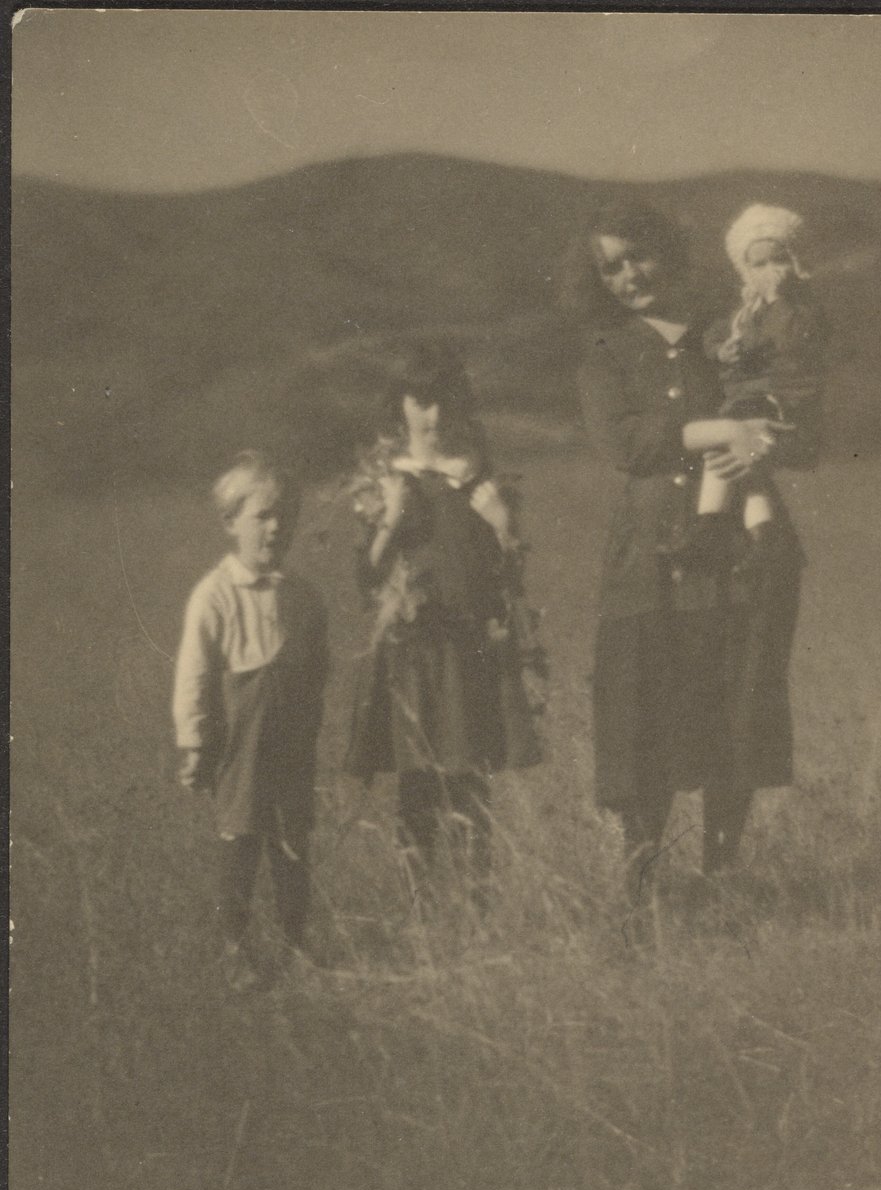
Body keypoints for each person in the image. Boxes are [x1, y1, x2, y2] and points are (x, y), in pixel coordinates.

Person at [560, 199, 818, 887]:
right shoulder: (605, 353)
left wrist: (764, 439)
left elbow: (794, 413)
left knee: (734, 705)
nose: (628, 276)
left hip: (738, 549)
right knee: (643, 710)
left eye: (638, 256)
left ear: (669, 253)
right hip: (648, 556)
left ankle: (721, 879)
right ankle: (638, 884)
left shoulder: (728, 330)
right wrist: (722, 431)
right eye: (610, 268)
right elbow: (625, 444)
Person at [345, 342, 544, 911]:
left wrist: (502, 525)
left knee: (470, 781)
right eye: (420, 401)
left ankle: (478, 906)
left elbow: (510, 578)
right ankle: (420, 910)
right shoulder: (387, 480)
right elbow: (366, 577)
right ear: (401, 404)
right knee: (417, 782)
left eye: (443, 401)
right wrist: (390, 518)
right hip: (413, 653)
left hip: (469, 650)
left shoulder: (477, 478)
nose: (432, 416)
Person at [173, 450, 328, 989]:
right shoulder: (214, 595)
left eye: (285, 515)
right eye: (262, 515)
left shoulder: (302, 596)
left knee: (292, 843)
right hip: (241, 741)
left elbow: (317, 665)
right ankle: (233, 948)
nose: (275, 527)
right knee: (239, 842)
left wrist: (311, 720)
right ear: (230, 522)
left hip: (291, 740)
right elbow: (194, 675)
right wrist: (195, 742)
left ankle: (295, 945)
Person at [661, 203, 826, 573]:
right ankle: (758, 533)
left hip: (777, 395)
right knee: (738, 461)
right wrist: (722, 350)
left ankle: (712, 523)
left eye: (779, 260)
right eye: (759, 264)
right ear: (746, 269)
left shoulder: (799, 309)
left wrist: (778, 302)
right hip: (745, 397)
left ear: (795, 261)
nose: (771, 272)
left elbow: (789, 342)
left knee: (731, 450)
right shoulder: (744, 311)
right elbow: (716, 335)